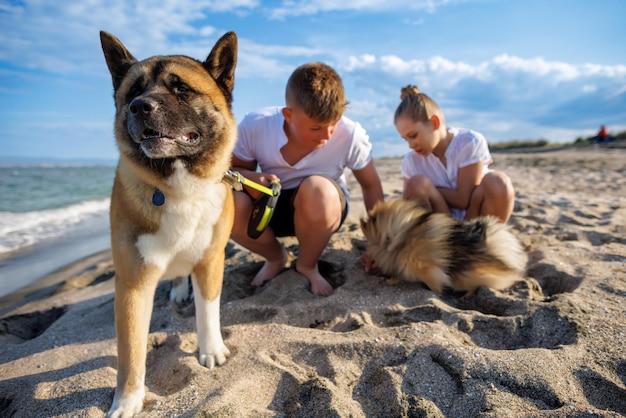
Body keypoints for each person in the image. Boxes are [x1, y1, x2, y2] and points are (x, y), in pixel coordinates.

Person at [230, 62, 384, 296]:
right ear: (289, 115)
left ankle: (307, 264)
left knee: (317, 190)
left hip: (323, 210)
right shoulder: (256, 125)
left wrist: (380, 242)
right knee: (228, 201)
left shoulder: (351, 134)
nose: (327, 135)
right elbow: (231, 173)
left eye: (334, 123)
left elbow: (371, 185)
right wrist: (252, 179)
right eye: (316, 128)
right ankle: (275, 258)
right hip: (269, 208)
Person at [394, 85, 514, 223]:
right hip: (443, 229)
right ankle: (443, 243)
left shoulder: (468, 142)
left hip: (475, 221)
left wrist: (430, 189)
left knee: (498, 182)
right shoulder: (411, 161)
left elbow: (464, 199)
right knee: (416, 184)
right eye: (405, 139)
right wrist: (420, 188)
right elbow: (408, 207)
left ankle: (484, 240)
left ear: (435, 122)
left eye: (413, 135)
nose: (411, 145)